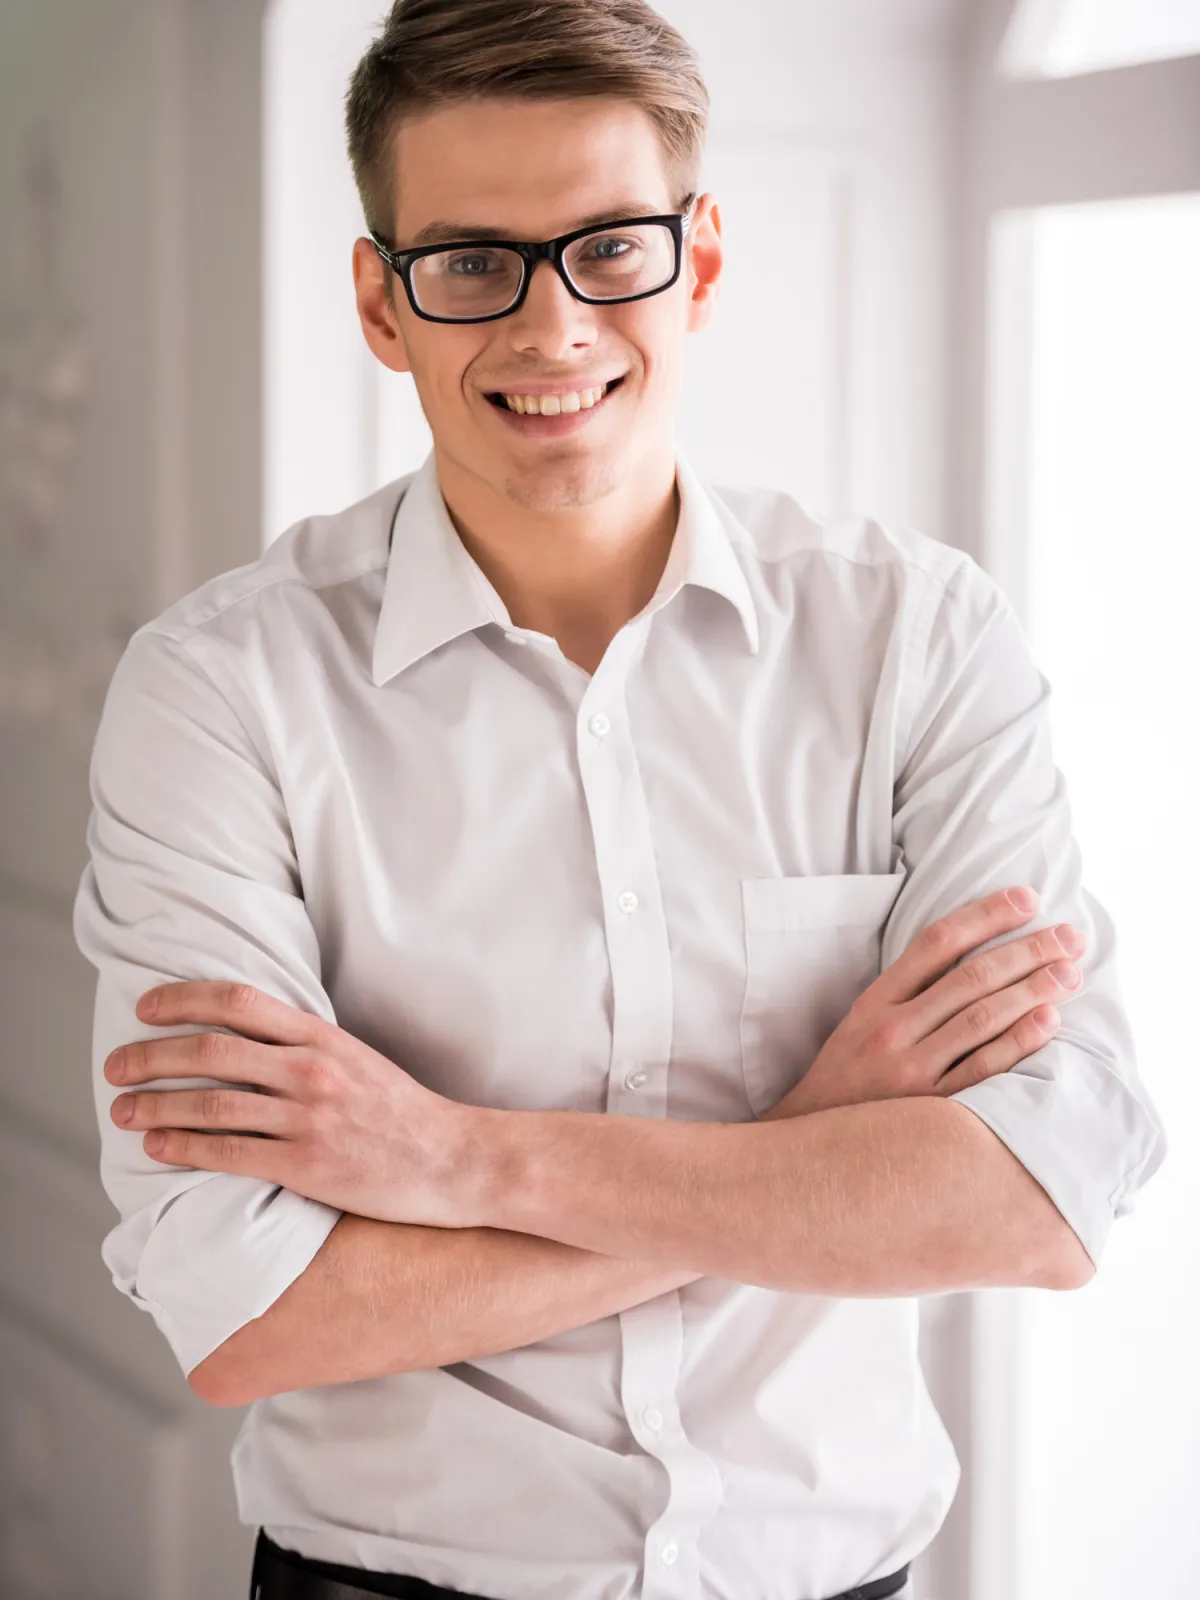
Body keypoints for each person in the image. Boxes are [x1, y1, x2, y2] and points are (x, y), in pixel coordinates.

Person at [72, 2, 1167, 1599]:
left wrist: (454, 1161)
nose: (551, 327)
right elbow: (250, 1313)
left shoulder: (916, 635)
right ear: (383, 303)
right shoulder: (219, 691)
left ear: (700, 261)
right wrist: (816, 1147)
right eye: (471, 265)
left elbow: (1039, 1203)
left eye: (609, 250)